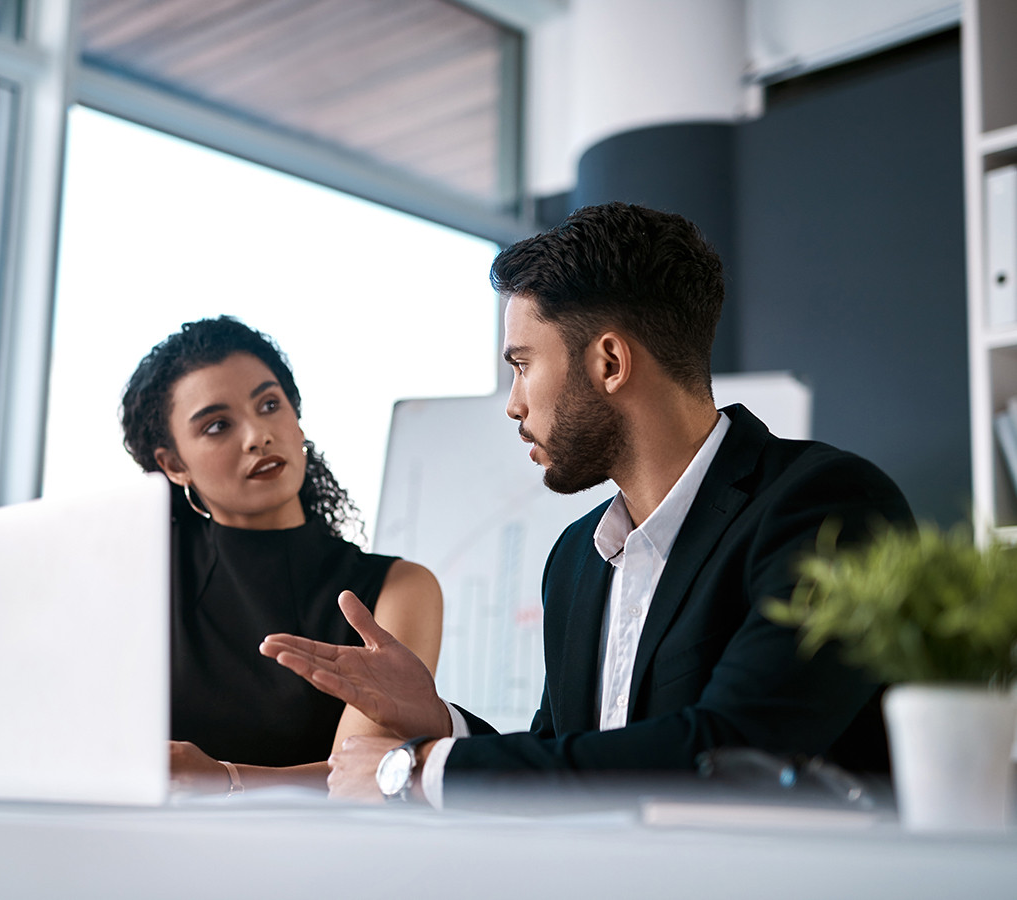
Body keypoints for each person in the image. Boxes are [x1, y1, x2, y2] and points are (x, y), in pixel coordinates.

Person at [260, 202, 911, 808]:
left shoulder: (826, 508)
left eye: (521, 364)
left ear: (609, 361)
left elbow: (737, 753)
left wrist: (423, 773)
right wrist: (438, 722)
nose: (513, 404)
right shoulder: (576, 559)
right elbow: (565, 753)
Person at [118, 317, 443, 796]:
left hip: (326, 861)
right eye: (217, 426)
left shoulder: (398, 587)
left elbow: (362, 781)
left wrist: (224, 780)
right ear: (173, 464)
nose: (257, 436)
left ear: (296, 418)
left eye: (270, 405)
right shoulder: (138, 582)